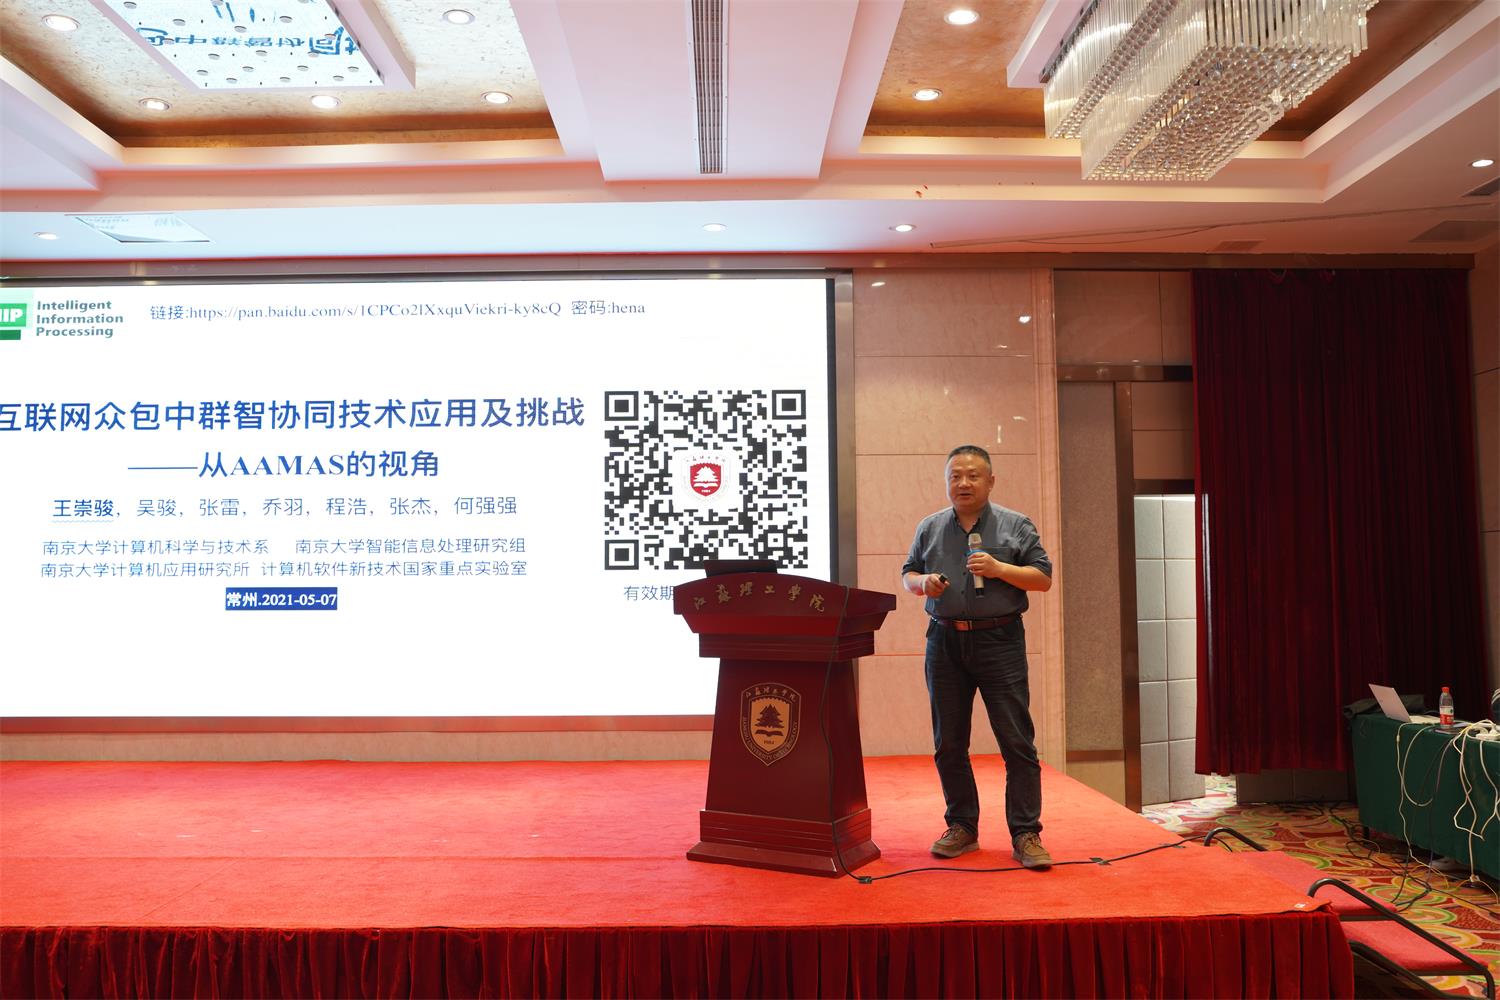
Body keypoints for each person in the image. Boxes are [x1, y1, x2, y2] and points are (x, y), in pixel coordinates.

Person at [900, 445, 1054, 869]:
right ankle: (962, 826)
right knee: (949, 742)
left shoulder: (1015, 524)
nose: (963, 483)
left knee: (1016, 741)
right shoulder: (930, 526)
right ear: (947, 481)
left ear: (990, 481)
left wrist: (1000, 569)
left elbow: (1043, 577)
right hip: (944, 641)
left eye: (972, 476)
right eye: (955, 476)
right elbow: (908, 573)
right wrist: (922, 583)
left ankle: (1026, 832)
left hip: (1000, 640)